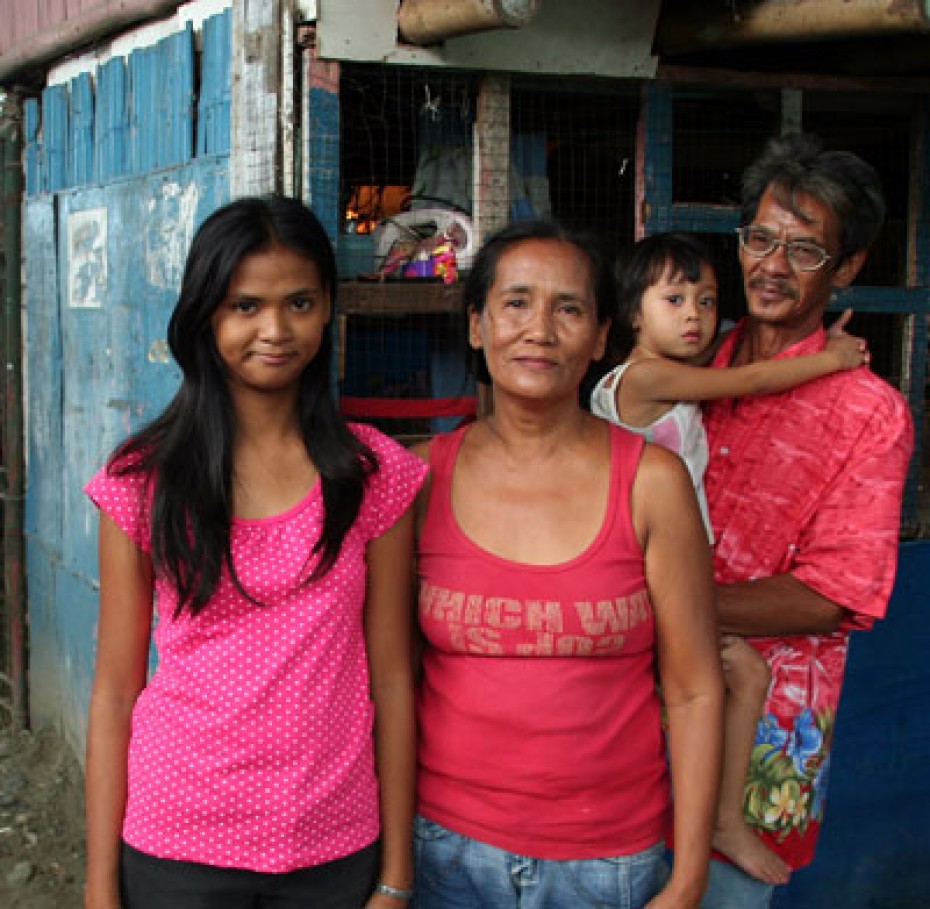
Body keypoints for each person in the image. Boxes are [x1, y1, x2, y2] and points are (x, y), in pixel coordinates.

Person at [83, 196, 428, 909]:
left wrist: (396, 874)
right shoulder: (142, 479)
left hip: (334, 844)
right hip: (176, 842)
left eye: (298, 301)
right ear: (206, 315)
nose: (275, 329)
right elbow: (116, 692)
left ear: (329, 305)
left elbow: (393, 679)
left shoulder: (373, 473)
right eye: (245, 305)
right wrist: (98, 885)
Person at [411, 221, 726, 909]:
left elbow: (696, 688)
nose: (540, 329)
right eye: (516, 302)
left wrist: (689, 876)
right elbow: (388, 676)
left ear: (602, 335)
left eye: (569, 307)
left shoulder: (652, 482)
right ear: (476, 324)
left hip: (609, 862)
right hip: (443, 850)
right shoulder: (419, 480)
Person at [588, 231, 869, 886]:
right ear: (631, 313)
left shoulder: (667, 377)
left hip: (666, 576)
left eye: (708, 301)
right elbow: (749, 377)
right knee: (739, 675)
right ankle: (718, 818)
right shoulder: (645, 377)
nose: (695, 314)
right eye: (675, 298)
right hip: (647, 580)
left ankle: (712, 818)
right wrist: (830, 359)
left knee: (734, 679)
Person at [699, 133, 914, 909]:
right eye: (759, 239)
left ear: (849, 267)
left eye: (804, 248)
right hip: (631, 706)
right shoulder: (691, 372)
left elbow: (834, 592)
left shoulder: (869, 413)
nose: (772, 265)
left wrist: (651, 603)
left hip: (765, 740)